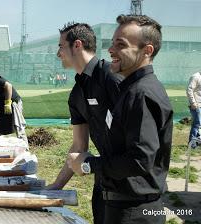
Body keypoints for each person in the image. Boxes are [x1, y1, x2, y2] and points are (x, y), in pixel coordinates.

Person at [69, 15, 173, 224]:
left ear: (147, 50)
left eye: (121, 45)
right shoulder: (130, 89)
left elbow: (139, 160)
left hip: (134, 211)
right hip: (120, 205)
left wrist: (89, 165)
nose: (111, 50)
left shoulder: (142, 93)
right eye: (112, 43)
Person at [45, 23, 120, 224]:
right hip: (103, 182)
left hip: (130, 187)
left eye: (61, 46)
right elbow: (79, 147)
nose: (58, 53)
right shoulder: (77, 94)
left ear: (77, 45)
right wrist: (56, 186)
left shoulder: (111, 77)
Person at [186, 71, 201, 145]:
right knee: (197, 123)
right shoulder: (196, 77)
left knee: (199, 123)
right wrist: (193, 103)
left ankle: (197, 140)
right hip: (196, 105)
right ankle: (192, 143)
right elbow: (189, 90)